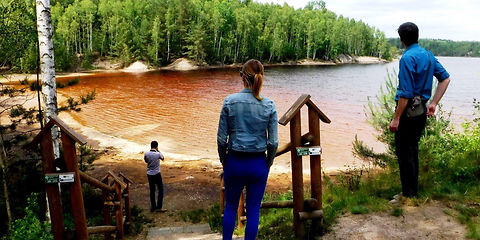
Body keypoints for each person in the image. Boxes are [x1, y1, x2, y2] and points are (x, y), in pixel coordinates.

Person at [389, 22, 451, 202]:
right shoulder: (428, 56)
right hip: (422, 111)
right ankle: (412, 192)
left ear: (401, 39)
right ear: (417, 36)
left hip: (408, 113)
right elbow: (445, 79)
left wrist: (396, 119)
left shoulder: (407, 58)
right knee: (412, 150)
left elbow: (406, 94)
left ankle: (407, 195)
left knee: (404, 152)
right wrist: (433, 103)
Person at [217, 59, 278, 240]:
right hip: (258, 164)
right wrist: (268, 163)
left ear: (242, 77)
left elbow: (221, 139)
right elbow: (273, 142)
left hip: (234, 162)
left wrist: (224, 160)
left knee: (230, 207)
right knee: (253, 211)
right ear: (261, 78)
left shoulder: (229, 102)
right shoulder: (269, 105)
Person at [144, 140, 166, 212]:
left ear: (151, 146)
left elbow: (146, 161)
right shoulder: (157, 154)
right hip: (157, 173)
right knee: (161, 189)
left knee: (152, 190)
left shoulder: (146, 154)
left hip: (149, 174)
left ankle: (153, 207)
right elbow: (163, 158)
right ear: (156, 146)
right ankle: (159, 207)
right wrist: (158, 150)